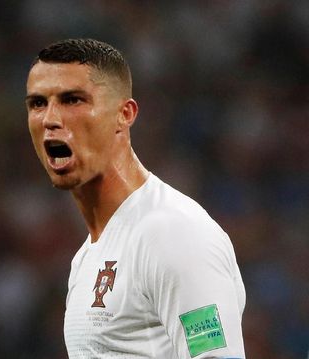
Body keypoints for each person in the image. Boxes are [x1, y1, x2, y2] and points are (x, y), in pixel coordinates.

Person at [25, 38, 246, 359]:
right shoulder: (89, 255)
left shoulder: (173, 233)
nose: (50, 119)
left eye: (72, 100)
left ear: (124, 114)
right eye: (37, 104)